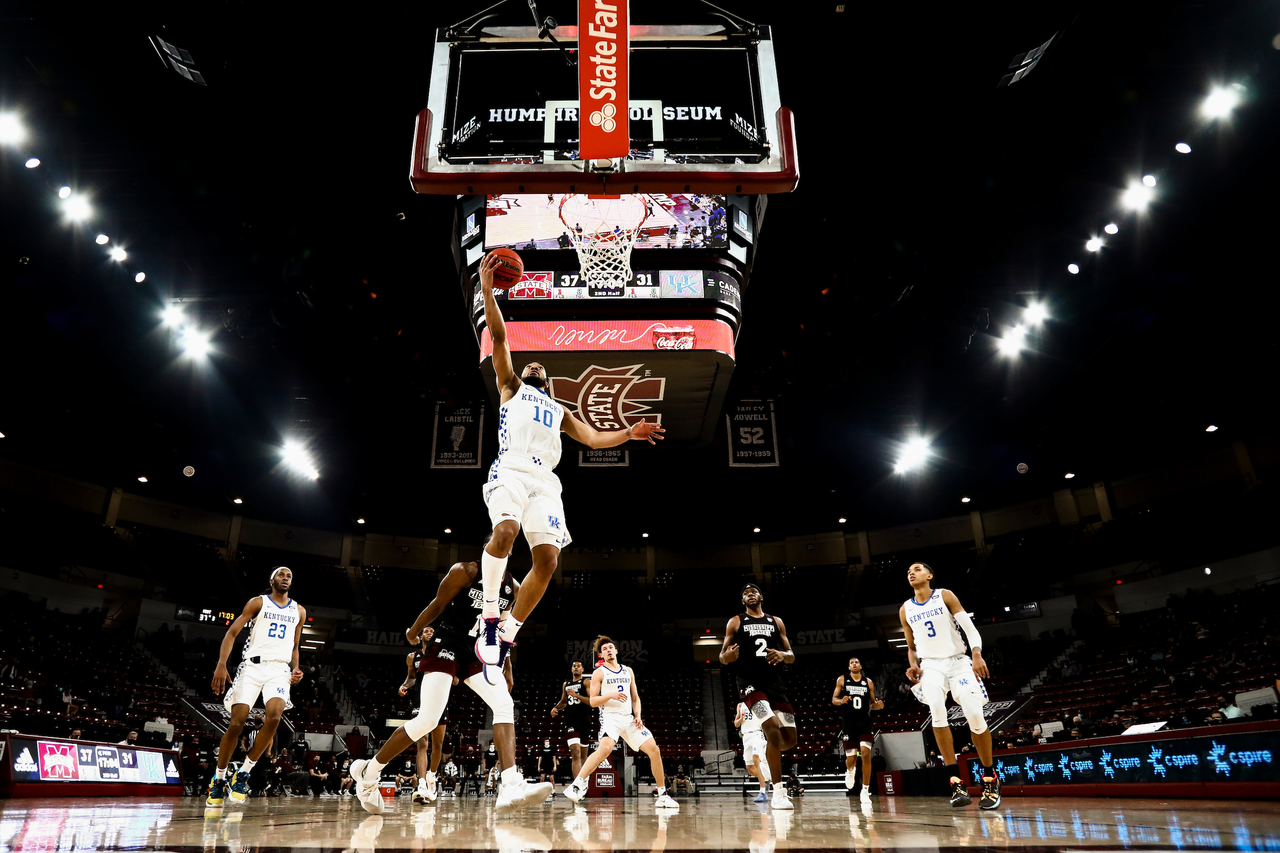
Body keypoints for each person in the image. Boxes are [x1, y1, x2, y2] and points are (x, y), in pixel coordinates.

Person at [474, 252, 665, 670]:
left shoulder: (560, 410)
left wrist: (629, 432)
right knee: (504, 532)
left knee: (548, 561)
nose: (535, 365)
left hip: (546, 481)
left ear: (549, 381)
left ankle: (508, 630)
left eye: (541, 365)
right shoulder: (510, 387)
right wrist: (488, 291)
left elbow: (595, 439)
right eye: (532, 364)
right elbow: (501, 338)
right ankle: (490, 614)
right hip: (511, 466)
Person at [348, 556, 552, 815]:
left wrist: (506, 663)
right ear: (489, 548)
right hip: (448, 642)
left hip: (477, 648)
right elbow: (438, 603)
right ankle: (369, 772)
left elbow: (502, 625)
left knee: (504, 704)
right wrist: (415, 630)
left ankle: (510, 784)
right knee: (427, 721)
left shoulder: (514, 587)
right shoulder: (466, 571)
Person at [899, 561, 1000, 810]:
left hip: (958, 661)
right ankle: (955, 780)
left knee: (975, 715)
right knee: (937, 711)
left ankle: (990, 776)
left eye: (918, 569)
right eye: (909, 571)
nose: (912, 573)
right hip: (931, 665)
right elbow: (912, 648)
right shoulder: (905, 609)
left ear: (930, 575)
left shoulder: (944, 595)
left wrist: (976, 654)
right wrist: (913, 664)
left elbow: (970, 629)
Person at [207, 567, 305, 807]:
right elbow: (231, 634)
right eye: (281, 575)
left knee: (273, 719)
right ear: (272, 579)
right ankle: (219, 779)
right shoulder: (258, 603)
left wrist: (296, 668)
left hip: (279, 670)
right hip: (252, 667)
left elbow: (295, 645)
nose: (285, 578)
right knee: (237, 723)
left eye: (289, 576)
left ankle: (243, 773)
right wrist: (221, 664)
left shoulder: (299, 611)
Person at [562, 636, 679, 809]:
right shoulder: (599, 673)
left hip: (629, 718)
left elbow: (635, 698)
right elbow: (593, 701)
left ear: (616, 651)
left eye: (611, 647)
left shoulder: (628, 671)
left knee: (654, 749)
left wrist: (638, 715)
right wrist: (610, 695)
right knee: (605, 749)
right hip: (610, 717)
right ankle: (578, 785)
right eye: (605, 649)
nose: (608, 650)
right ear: (601, 655)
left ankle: (662, 795)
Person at [718, 582, 797, 810]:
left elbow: (791, 655)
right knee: (771, 729)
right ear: (743, 600)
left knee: (790, 740)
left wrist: (782, 655)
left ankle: (769, 750)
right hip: (749, 682)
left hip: (774, 682)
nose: (750, 595)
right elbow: (722, 656)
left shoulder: (776, 621)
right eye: (745, 593)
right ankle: (779, 793)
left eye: (753, 592)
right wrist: (727, 657)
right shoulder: (736, 621)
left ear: (761, 596)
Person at [399, 626, 453, 804]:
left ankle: (431, 777)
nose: (429, 633)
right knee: (423, 743)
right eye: (426, 631)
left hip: (440, 699)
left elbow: (457, 678)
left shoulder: (444, 654)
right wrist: (405, 685)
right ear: (421, 635)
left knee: (438, 746)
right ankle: (421, 784)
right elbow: (412, 677)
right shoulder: (412, 657)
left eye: (432, 631)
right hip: (419, 701)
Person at [832, 656, 883, 803]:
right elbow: (833, 699)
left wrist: (877, 706)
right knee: (851, 759)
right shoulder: (842, 679)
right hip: (849, 723)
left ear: (860, 666)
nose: (854, 664)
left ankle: (865, 791)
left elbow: (872, 703)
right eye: (851, 663)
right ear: (849, 667)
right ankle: (850, 771)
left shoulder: (869, 682)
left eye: (856, 662)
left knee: (866, 754)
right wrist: (840, 701)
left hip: (864, 722)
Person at [550, 660, 594, 779]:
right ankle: (577, 785)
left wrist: (577, 695)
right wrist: (555, 708)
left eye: (578, 666)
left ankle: (584, 783)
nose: (575, 668)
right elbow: (564, 702)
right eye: (573, 666)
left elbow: (591, 701)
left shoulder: (586, 682)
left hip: (584, 721)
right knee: (575, 753)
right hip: (571, 721)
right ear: (571, 669)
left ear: (582, 670)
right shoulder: (566, 684)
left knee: (584, 756)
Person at [733, 701, 769, 803]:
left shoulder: (758, 703)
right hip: (746, 736)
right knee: (749, 768)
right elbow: (736, 724)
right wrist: (741, 718)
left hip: (757, 734)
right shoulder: (740, 705)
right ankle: (766, 778)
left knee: (756, 758)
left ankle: (762, 792)